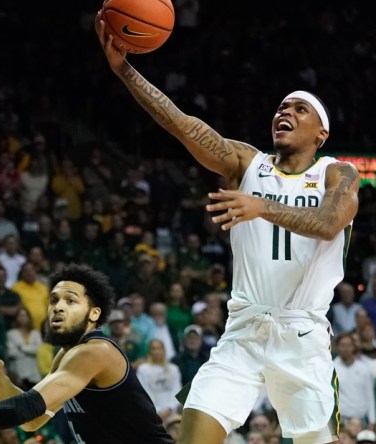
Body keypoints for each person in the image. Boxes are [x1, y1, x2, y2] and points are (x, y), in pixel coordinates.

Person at [96, 10, 359, 444]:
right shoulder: (246, 162)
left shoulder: (337, 173)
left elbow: (330, 223)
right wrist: (125, 70)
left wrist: (263, 207)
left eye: (299, 109)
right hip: (245, 331)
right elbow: (181, 124)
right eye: (281, 107)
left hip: (304, 337)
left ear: (322, 133)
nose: (285, 113)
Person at [0, 263, 173, 443]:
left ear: (94, 314)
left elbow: (24, 409)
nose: (58, 307)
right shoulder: (66, 356)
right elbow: (32, 420)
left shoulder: (96, 352)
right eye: (53, 300)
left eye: (70, 301)